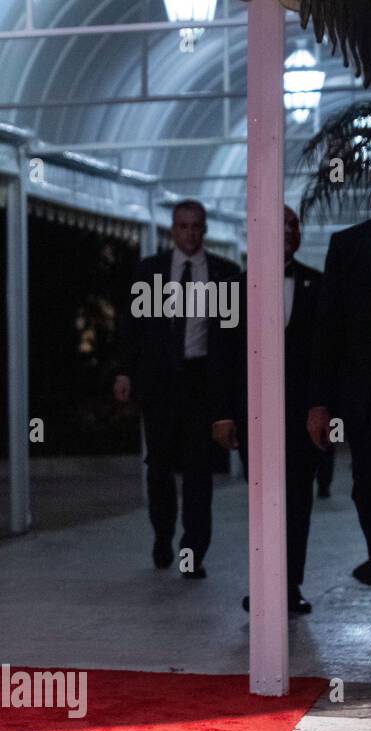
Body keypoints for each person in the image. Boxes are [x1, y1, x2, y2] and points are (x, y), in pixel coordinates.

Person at [114, 200, 239, 579]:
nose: (190, 233)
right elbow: (131, 327)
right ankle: (163, 533)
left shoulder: (225, 274)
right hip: (161, 384)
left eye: (196, 226)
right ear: (172, 229)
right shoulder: (149, 271)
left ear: (204, 229)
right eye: (183, 226)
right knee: (159, 467)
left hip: (202, 381)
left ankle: (192, 552)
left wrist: (229, 398)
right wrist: (124, 372)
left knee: (199, 472)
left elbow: (232, 340)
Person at [212, 206, 320, 615]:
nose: (289, 231)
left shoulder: (318, 284)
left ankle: (290, 586)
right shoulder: (234, 289)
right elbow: (222, 358)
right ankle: (263, 585)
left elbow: (326, 355)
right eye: (281, 225)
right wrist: (222, 414)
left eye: (294, 225)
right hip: (253, 415)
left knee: (298, 502)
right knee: (261, 502)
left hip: (302, 417)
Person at [309, 141, 371, 637]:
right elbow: (328, 332)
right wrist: (319, 402)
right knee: (368, 489)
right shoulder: (349, 245)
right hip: (369, 384)